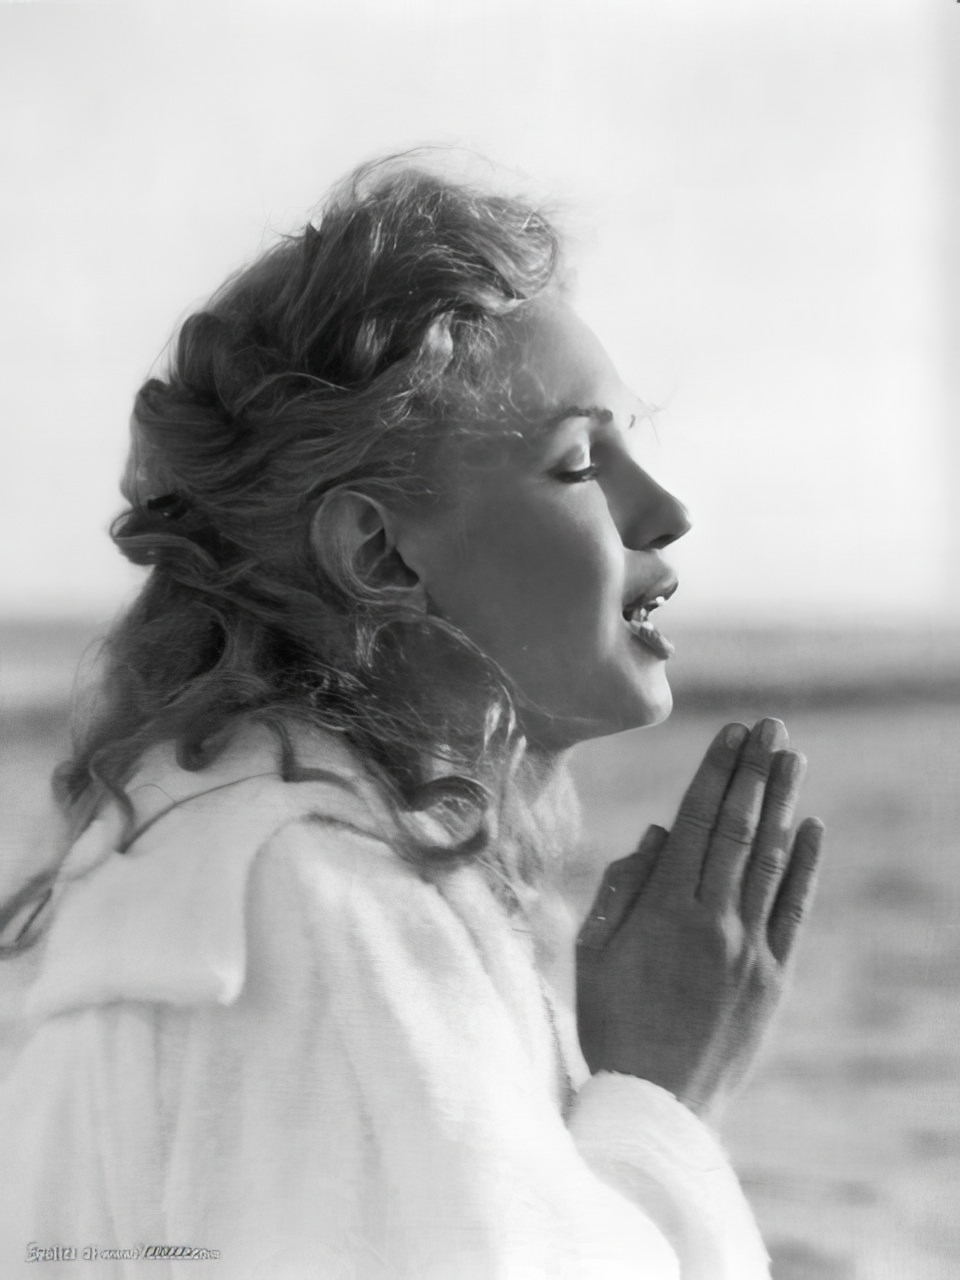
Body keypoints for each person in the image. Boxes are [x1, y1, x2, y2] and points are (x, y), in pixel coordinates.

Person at [0, 156, 823, 1278]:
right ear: (380, 552)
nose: (666, 512)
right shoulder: (320, 909)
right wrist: (663, 1094)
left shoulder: (233, 850)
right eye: (582, 461)